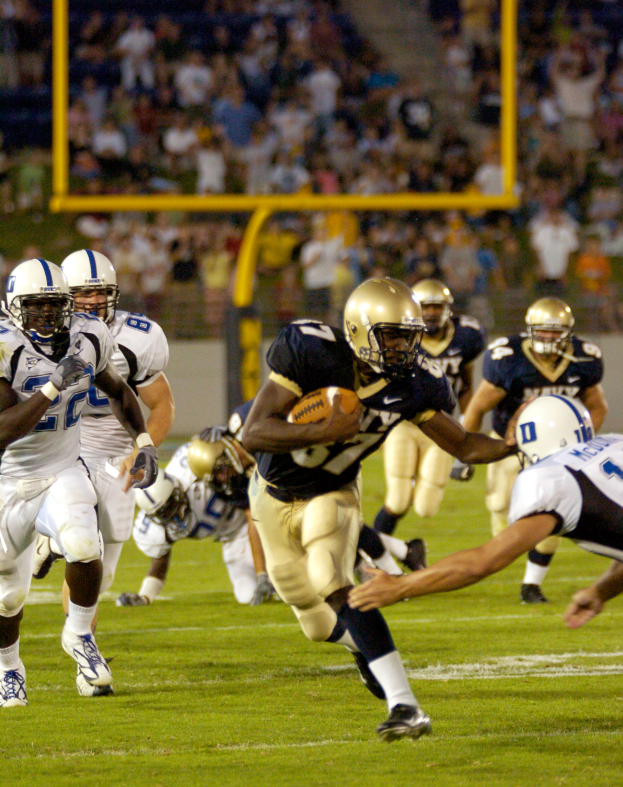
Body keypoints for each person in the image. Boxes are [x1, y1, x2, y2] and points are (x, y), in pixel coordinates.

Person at [241, 278, 517, 741]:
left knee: (333, 578)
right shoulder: (311, 351)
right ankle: (363, 648)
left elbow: (465, 445)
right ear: (359, 329)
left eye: (407, 336)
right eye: (390, 335)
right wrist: (324, 431)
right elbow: (254, 433)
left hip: (334, 493)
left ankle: (405, 705)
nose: (401, 347)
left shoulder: (415, 382)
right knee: (312, 621)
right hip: (270, 494)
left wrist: (515, 448)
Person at [0, 258, 158, 707]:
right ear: (15, 308)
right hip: (7, 480)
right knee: (7, 597)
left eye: (55, 306)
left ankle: (78, 634)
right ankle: (9, 666)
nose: (48, 316)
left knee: (87, 545)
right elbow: (2, 430)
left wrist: (143, 440)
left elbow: (118, 389)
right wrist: (51, 388)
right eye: (36, 307)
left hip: (62, 469)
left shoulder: (89, 336)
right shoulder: (5, 346)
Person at [349, 395, 623, 636]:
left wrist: (401, 586)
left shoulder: (551, 478)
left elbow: (484, 561)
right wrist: (601, 590)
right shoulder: (613, 442)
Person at [32, 250, 175, 664]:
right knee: (85, 543)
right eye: (84, 292)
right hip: (67, 446)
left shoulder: (138, 336)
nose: (94, 300)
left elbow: (162, 405)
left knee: (104, 564)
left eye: (101, 292)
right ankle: (84, 649)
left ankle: (52, 540)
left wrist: (141, 447)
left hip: (116, 451)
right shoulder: (44, 335)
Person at [462, 297, 608, 603]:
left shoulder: (585, 358)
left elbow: (597, 406)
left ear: (568, 332)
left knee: (551, 509)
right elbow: (476, 408)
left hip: (556, 451)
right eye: (543, 331)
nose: (550, 338)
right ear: (530, 330)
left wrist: (581, 443)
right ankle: (510, 552)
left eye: (556, 332)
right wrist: (464, 451)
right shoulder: (509, 359)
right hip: (509, 443)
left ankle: (532, 584)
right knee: (500, 505)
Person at [117, 406, 274, 608]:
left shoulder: (193, 470)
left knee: (281, 578)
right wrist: (145, 596)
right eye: (164, 513)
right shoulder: (155, 528)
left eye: (171, 504)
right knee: (247, 595)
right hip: (233, 536)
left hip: (251, 515)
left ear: (177, 488)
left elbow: (221, 454)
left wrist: (222, 433)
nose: (173, 514)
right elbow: (159, 560)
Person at [373, 280, 486, 539]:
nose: (432, 313)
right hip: (404, 423)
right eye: (426, 307)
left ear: (448, 309)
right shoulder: (397, 336)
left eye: (437, 306)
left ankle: (393, 547)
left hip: (441, 424)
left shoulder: (465, 336)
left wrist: (466, 434)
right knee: (399, 499)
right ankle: (373, 555)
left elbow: (466, 388)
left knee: (426, 506)